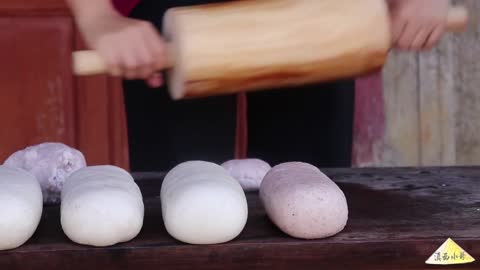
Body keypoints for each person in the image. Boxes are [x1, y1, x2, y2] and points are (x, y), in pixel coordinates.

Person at [66, 0, 451, 171]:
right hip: (175, 17)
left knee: (310, 203)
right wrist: (97, 15)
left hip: (316, 17)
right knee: (184, 204)